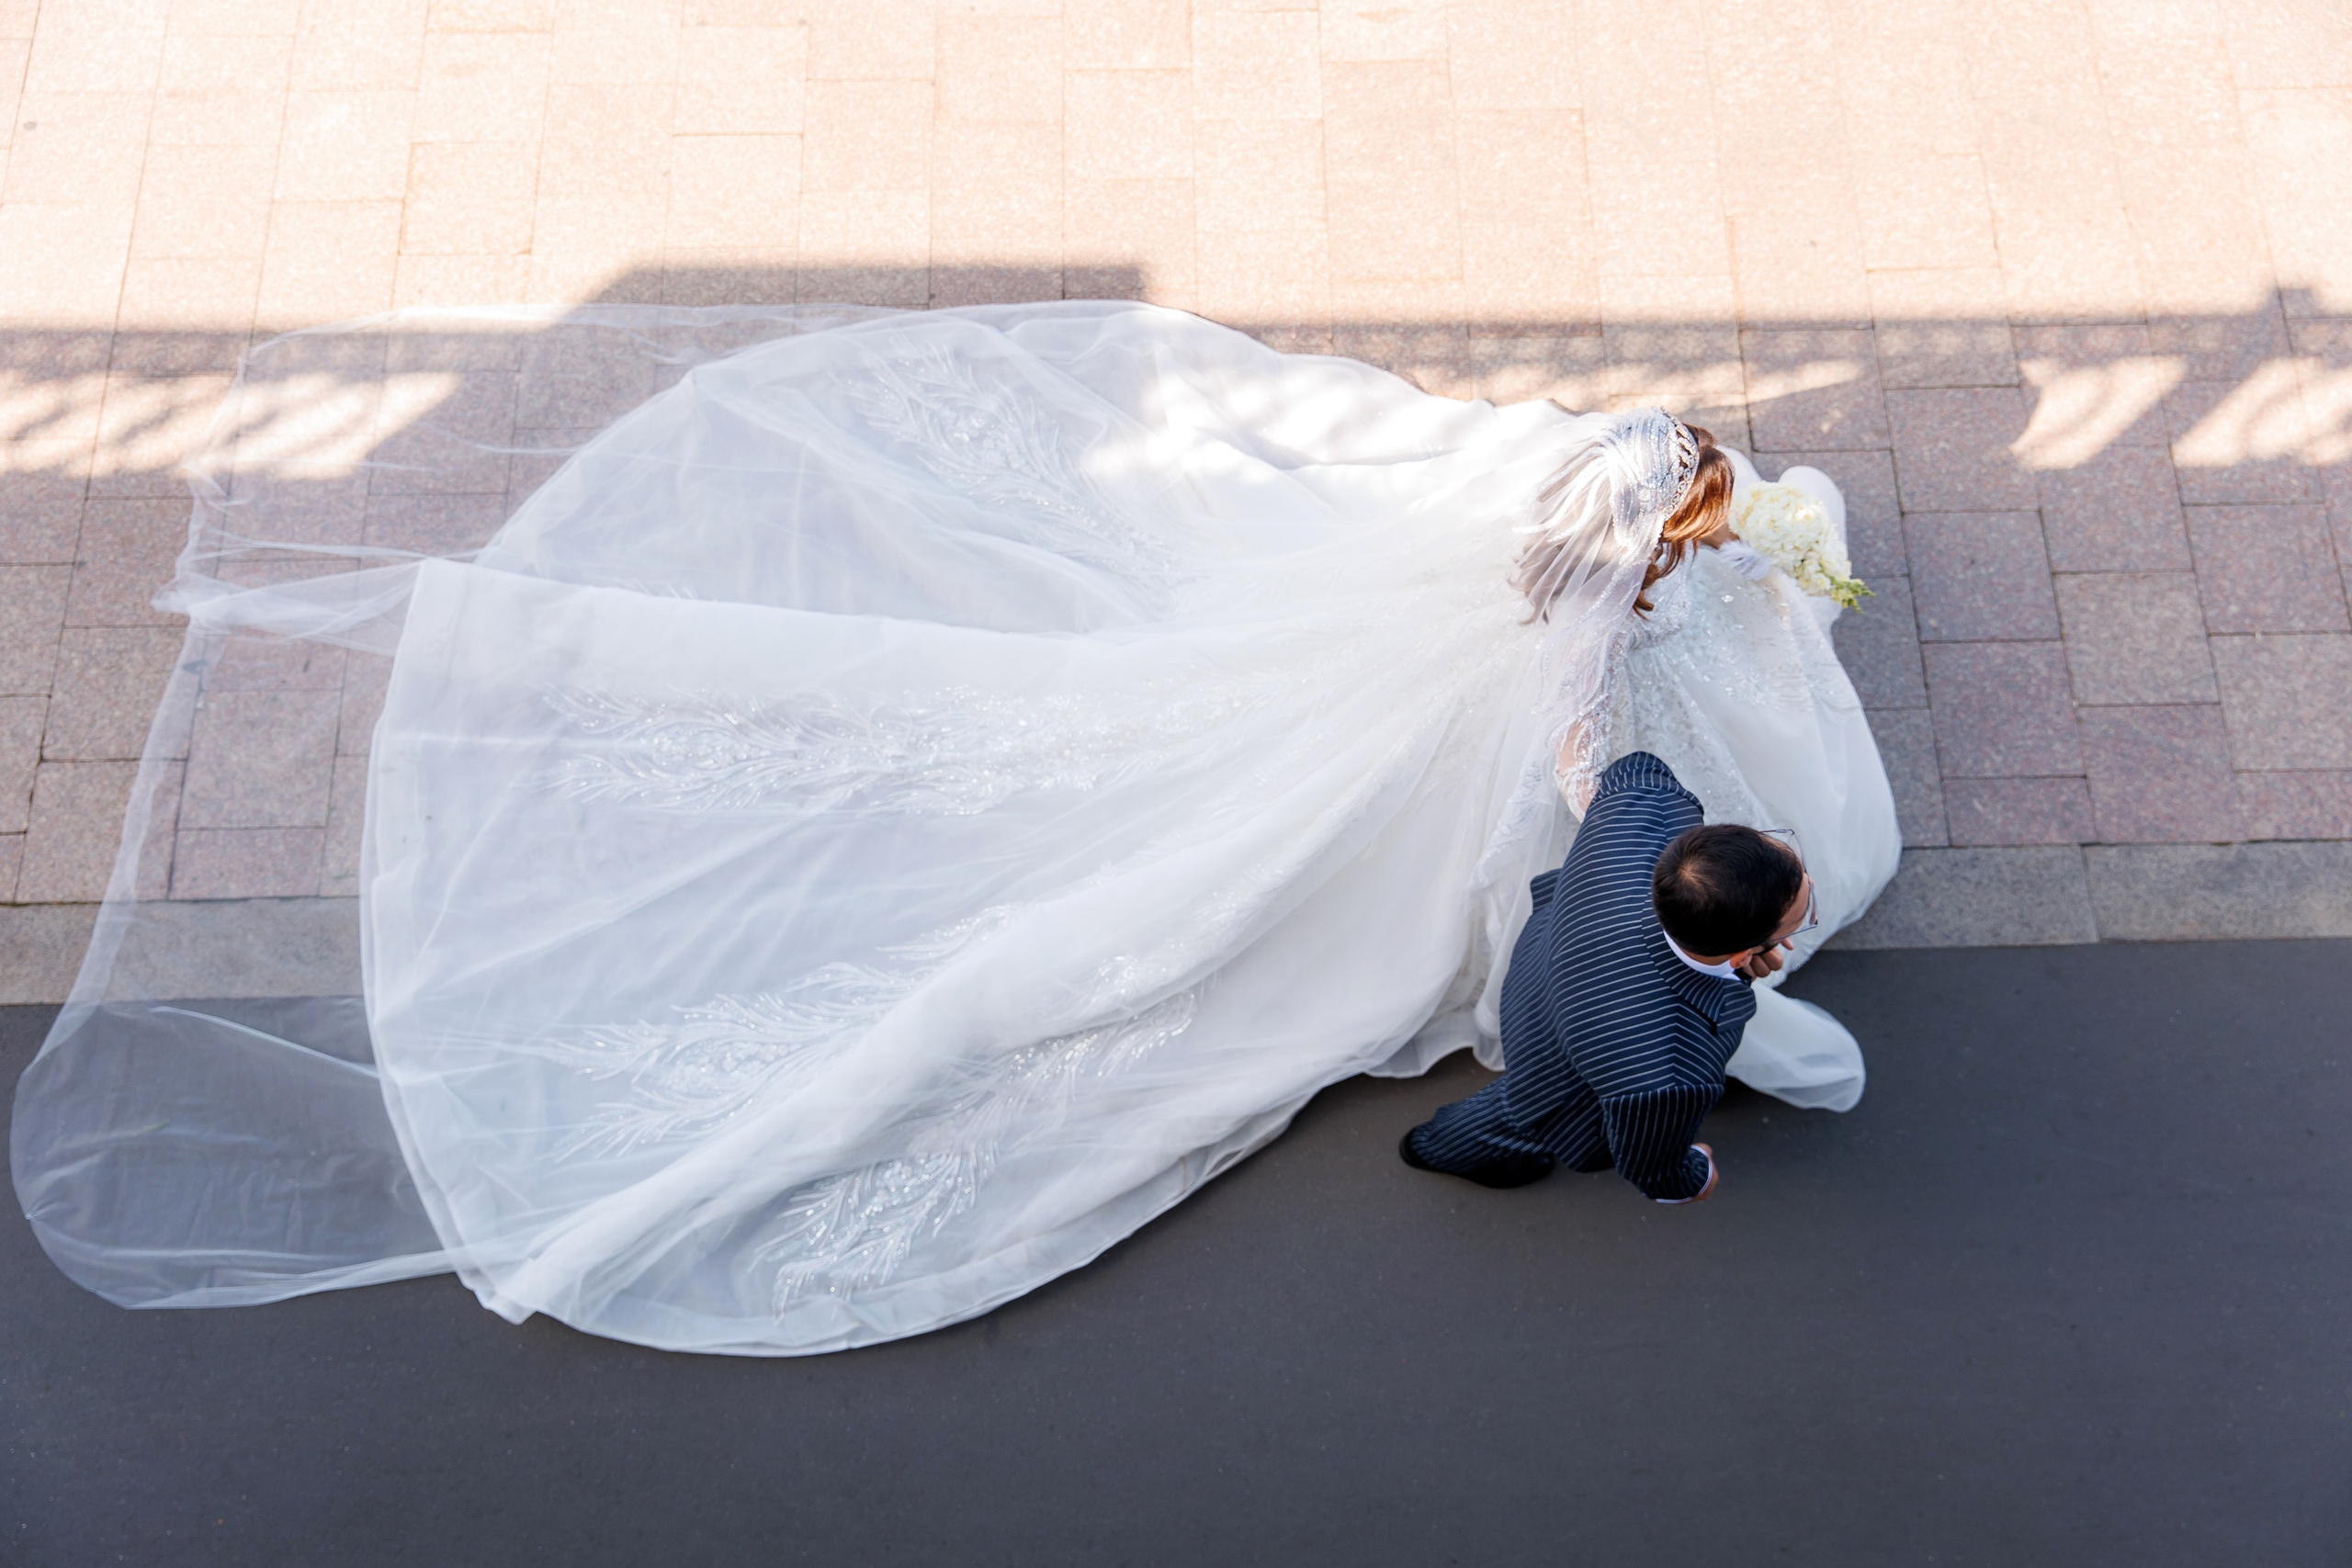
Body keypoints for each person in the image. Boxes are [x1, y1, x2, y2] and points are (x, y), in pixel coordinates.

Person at [13, 301, 1898, 1355]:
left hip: (1532, 742)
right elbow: (1572, 750)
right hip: (1526, 803)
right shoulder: (1622, 761)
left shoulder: (1585, 660)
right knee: (1203, 911)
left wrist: (1626, 629)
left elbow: (1581, 751)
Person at [1401, 754, 1814, 1199]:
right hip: (1556, 1058)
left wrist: (1738, 965)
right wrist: (1698, 1177)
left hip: (1548, 956)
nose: (1806, 877)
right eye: (1797, 918)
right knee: (1520, 1106)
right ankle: (1435, 1147)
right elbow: (1651, 1164)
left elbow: (1633, 765)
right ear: (1744, 951)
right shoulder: (1670, 1074)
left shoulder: (1647, 802)